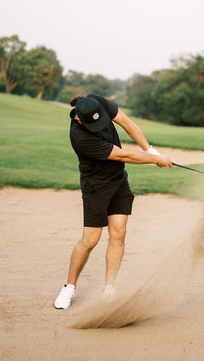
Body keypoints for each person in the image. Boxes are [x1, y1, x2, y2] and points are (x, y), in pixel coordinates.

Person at [54, 93, 172, 309]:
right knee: (91, 240)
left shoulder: (98, 102)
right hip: (95, 186)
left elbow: (126, 123)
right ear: (80, 119)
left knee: (118, 233)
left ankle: (109, 288)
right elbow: (122, 155)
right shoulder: (80, 137)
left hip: (118, 180)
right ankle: (69, 287)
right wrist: (156, 160)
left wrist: (150, 150)